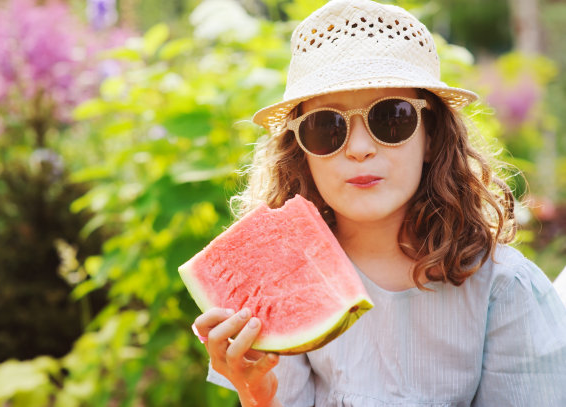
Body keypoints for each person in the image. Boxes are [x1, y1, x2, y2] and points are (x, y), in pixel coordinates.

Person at [192, 0, 566, 406]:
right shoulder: (281, 278)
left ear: (432, 137)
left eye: (392, 117)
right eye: (326, 126)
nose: (359, 148)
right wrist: (257, 396)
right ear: (302, 152)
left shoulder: (505, 289)